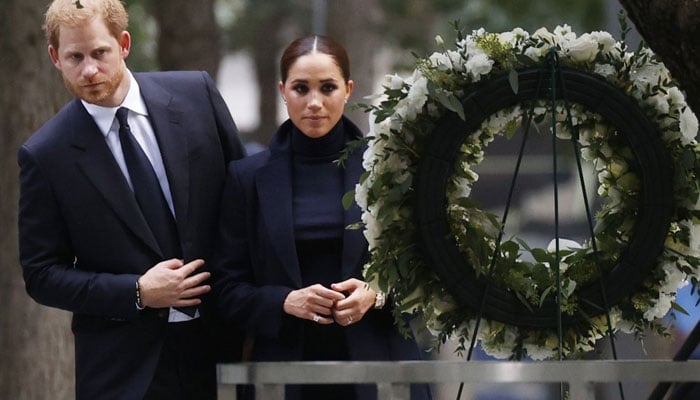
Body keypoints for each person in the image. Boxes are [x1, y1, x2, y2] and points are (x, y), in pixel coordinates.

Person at [17, 0, 246, 399]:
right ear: (55, 57)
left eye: (100, 53)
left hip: (222, 346)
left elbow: (246, 205)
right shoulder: (45, 154)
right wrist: (137, 292)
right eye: (75, 57)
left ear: (123, 43)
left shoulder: (197, 95)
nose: (89, 70)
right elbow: (41, 274)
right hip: (123, 369)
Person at [212, 35, 432, 400]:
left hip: (380, 371)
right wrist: (283, 301)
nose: (314, 102)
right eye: (301, 88)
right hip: (282, 376)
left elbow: (425, 269)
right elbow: (226, 287)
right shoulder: (246, 178)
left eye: (327, 87)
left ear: (348, 90)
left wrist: (375, 294)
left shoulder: (389, 171)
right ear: (283, 90)